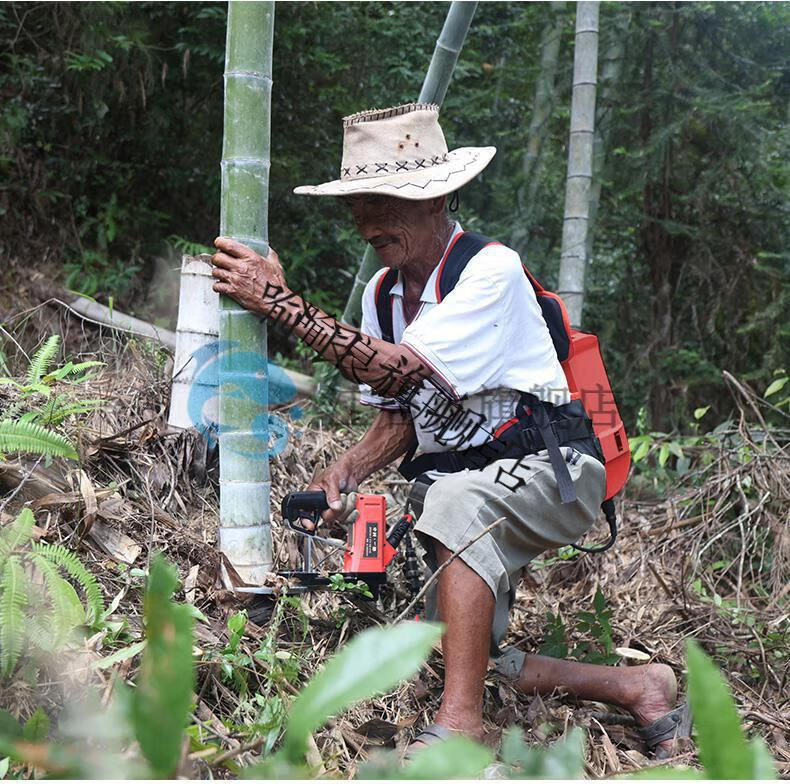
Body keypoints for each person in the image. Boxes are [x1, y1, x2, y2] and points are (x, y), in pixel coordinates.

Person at [210, 103, 690, 756]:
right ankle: (641, 687)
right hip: (462, 482)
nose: (368, 219)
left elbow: (400, 371)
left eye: (387, 199)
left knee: (459, 506)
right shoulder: (384, 292)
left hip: (557, 467)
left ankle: (459, 733)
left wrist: (278, 303)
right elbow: (402, 416)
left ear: (438, 199)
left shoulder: (489, 271)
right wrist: (346, 472)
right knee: (451, 643)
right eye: (359, 201)